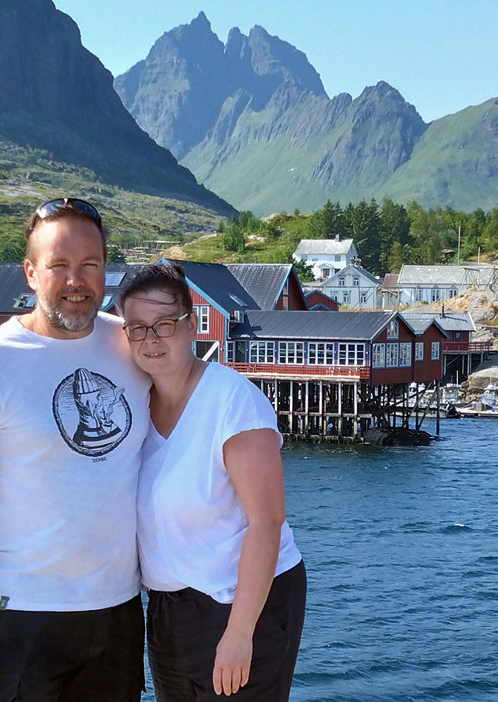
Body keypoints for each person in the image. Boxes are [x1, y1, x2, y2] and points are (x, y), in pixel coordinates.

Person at [0, 197, 150, 702]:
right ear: (30, 273)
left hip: (115, 612)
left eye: (90, 265)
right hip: (17, 614)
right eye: (60, 266)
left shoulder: (132, 346)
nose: (77, 280)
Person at [119, 263, 306, 701]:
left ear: (191, 325)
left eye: (164, 325)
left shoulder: (233, 403)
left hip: (246, 601)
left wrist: (240, 634)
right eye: (138, 328)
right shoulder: (133, 406)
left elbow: (267, 521)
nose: (151, 339)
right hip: (168, 608)